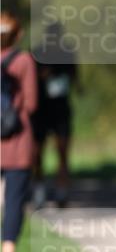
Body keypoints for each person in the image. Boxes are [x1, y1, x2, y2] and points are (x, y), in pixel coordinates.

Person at [1, 11, 38, 252]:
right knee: (14, 199)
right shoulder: (24, 60)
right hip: (17, 139)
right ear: (17, 34)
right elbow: (32, 102)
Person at [31, 22, 78, 209]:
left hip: (61, 109)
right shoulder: (37, 52)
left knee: (63, 152)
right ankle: (39, 190)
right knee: (37, 153)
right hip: (41, 109)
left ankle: (62, 191)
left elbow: (74, 76)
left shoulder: (67, 52)